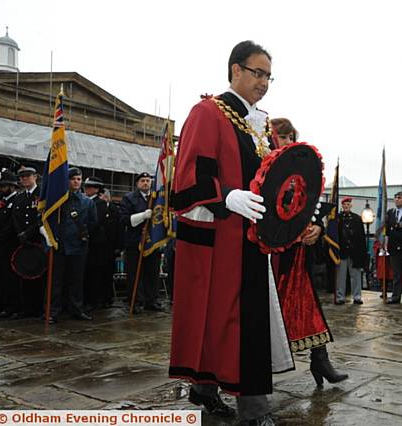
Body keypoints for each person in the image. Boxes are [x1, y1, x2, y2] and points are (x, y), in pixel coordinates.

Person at [169, 41, 289, 425]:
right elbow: (189, 179)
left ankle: (206, 391)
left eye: (269, 75)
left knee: (241, 323)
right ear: (235, 70)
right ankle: (253, 412)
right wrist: (227, 197)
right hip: (222, 241)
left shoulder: (261, 125)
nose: (265, 82)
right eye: (258, 72)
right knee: (227, 321)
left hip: (253, 241)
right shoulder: (207, 112)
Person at [269, 117, 348, 387]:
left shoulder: (301, 173)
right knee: (269, 311)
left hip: (297, 255)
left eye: (290, 137)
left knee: (306, 304)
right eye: (281, 136)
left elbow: (313, 208)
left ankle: (320, 359)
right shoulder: (260, 169)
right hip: (268, 254)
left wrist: (318, 227)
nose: (287, 142)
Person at [42, 167, 97, 323]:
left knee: (76, 281)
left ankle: (76, 309)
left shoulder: (87, 202)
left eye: (79, 179)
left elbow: (93, 223)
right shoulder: (57, 201)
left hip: (78, 246)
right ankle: (52, 311)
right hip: (59, 245)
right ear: (66, 180)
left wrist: (83, 234)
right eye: (73, 179)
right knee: (55, 281)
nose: (76, 182)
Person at [119, 172, 163, 314]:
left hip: (153, 242)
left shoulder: (156, 198)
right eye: (143, 181)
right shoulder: (129, 198)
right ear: (137, 183)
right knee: (134, 274)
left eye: (148, 180)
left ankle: (152, 300)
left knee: (152, 273)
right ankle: (136, 302)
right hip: (135, 242)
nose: (146, 183)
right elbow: (124, 219)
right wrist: (143, 216)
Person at [12, 166, 44, 317]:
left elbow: (43, 218)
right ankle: (27, 308)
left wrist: (28, 233)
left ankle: (38, 308)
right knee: (24, 274)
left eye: (28, 176)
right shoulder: (19, 197)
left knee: (39, 276)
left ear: (35, 177)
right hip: (23, 242)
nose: (25, 179)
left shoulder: (42, 195)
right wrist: (20, 234)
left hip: (37, 240)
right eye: (22, 177)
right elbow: (16, 218)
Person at [83, 177, 119, 310]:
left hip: (96, 245)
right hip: (88, 244)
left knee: (94, 275)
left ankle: (92, 301)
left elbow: (95, 223)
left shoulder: (100, 204)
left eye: (89, 187)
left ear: (97, 189)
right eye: (86, 187)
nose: (86, 189)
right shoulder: (85, 201)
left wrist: (84, 233)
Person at [0, 170, 21, 319]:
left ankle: (10, 306)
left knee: (8, 279)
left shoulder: (16, 201)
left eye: (3, 186)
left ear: (11, 186)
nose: (0, 189)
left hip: (8, 246)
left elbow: (10, 226)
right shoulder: (2, 201)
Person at [335, 197, 367, 304]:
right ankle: (340, 296)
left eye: (348, 204)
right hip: (342, 251)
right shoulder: (337, 219)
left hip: (354, 251)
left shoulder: (357, 219)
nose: (346, 206)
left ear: (351, 205)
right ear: (342, 206)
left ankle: (357, 296)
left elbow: (361, 237)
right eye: (344, 204)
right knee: (341, 276)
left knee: (356, 275)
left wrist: (362, 253)